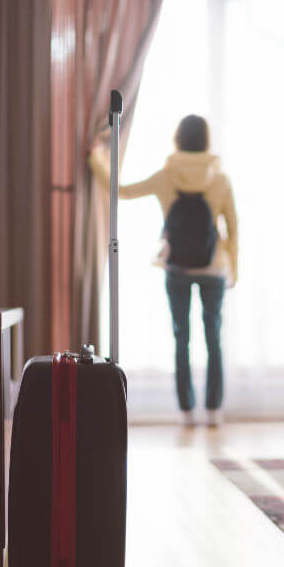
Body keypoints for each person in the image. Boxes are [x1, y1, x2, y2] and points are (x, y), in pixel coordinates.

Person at [90, 114, 238, 427]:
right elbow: (233, 228)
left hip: (178, 265)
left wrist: (96, 159)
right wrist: (233, 268)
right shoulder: (221, 179)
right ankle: (213, 412)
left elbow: (123, 191)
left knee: (181, 337)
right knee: (214, 339)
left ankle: (186, 412)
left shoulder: (167, 175)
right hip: (214, 267)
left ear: (179, 140)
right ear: (206, 141)